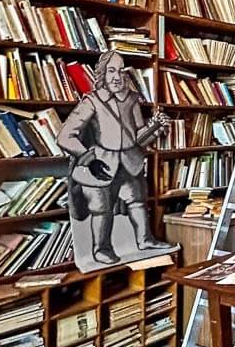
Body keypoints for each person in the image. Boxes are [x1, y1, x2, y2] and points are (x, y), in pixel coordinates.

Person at [57, 50, 170, 265]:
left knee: (137, 202)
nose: (117, 77)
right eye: (111, 71)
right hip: (100, 163)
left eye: (121, 71)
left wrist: (155, 128)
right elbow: (65, 136)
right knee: (101, 209)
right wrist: (89, 159)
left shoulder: (131, 99)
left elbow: (137, 137)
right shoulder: (91, 101)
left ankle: (145, 240)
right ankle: (101, 249)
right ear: (101, 75)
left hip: (129, 161)